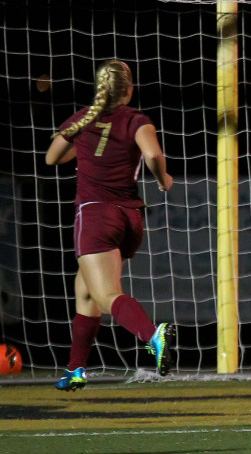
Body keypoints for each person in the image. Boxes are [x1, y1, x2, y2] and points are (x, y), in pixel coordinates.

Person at [45, 59, 176, 391]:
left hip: (95, 216)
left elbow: (51, 157)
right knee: (86, 290)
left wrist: (85, 146)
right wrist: (163, 180)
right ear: (129, 89)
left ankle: (152, 336)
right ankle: (76, 369)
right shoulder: (137, 120)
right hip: (129, 218)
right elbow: (152, 155)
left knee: (105, 295)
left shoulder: (83, 118)